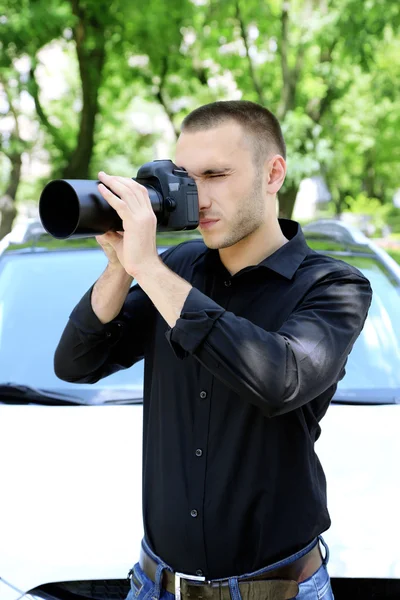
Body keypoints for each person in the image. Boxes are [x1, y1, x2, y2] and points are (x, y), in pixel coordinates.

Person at [54, 100, 372, 600]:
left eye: (216, 175)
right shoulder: (177, 267)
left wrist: (151, 270)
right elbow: (76, 363)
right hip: (155, 585)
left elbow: (279, 380)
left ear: (273, 173)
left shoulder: (335, 286)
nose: (196, 197)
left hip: (279, 591)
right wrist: (120, 265)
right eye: (185, 178)